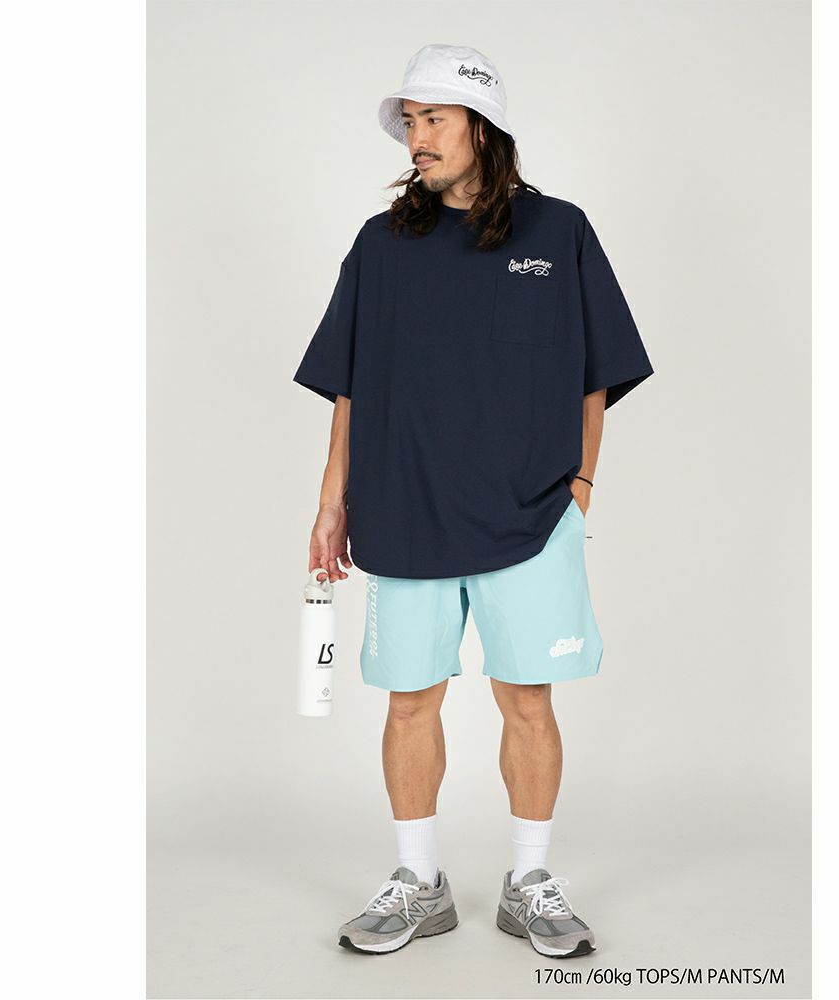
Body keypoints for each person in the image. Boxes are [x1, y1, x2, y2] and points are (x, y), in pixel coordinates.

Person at [293, 43, 654, 958]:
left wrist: (580, 488)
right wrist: (332, 503)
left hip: (530, 515)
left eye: (434, 120)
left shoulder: (559, 232)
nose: (416, 137)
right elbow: (349, 387)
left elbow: (596, 372)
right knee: (408, 703)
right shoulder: (381, 244)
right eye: (409, 122)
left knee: (527, 699)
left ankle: (530, 882)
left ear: (483, 127)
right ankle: (419, 882)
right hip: (403, 510)